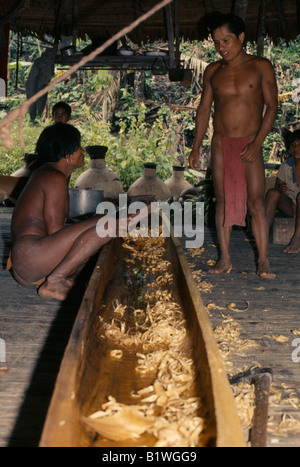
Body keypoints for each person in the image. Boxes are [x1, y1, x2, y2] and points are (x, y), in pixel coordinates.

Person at [7, 122, 143, 301]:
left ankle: (65, 279)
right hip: (32, 257)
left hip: (30, 264)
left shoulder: (47, 173)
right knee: (105, 224)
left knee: (101, 224)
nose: (83, 151)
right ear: (67, 154)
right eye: (79, 147)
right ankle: (55, 281)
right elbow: (56, 232)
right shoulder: (53, 177)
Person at [189, 13, 278, 279]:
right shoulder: (213, 71)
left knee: (256, 202)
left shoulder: (261, 66)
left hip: (251, 141)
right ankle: (224, 258)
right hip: (220, 142)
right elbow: (204, 110)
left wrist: (258, 142)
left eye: (226, 40)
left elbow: (272, 106)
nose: (221, 47)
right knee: (223, 201)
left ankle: (263, 261)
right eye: (217, 43)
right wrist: (196, 147)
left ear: (241, 37)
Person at [265, 129, 300, 253]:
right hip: (292, 206)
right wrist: (281, 188)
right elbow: (278, 187)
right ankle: (262, 235)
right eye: (293, 145)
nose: (296, 148)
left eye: (299, 145)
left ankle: (297, 238)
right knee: (273, 193)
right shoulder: (286, 166)